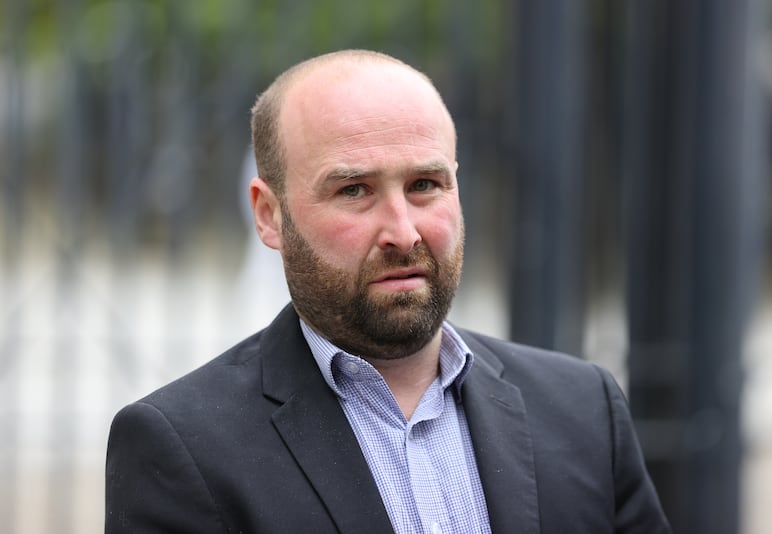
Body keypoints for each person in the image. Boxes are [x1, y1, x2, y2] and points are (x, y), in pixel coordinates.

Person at [105, 49, 671, 533]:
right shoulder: (180, 447)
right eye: (354, 190)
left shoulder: (583, 409)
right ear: (269, 215)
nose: (403, 232)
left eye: (425, 185)